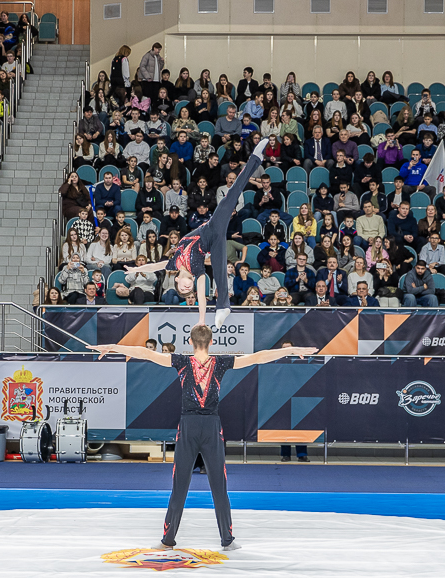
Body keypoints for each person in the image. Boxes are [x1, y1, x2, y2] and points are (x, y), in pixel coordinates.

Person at [91, 327, 316, 550]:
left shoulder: (181, 361)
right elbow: (258, 357)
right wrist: (289, 350)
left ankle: (168, 540)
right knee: (219, 484)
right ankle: (227, 540)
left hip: (188, 426)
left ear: (190, 342)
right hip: (211, 427)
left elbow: (146, 353)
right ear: (211, 342)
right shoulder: (220, 362)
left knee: (180, 485)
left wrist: (112, 347)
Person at [123, 139, 268, 328]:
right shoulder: (198, 272)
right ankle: (222, 307)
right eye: (188, 289)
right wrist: (201, 321)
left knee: (231, 195)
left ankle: (256, 158)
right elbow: (201, 294)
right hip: (213, 240)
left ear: (176, 279)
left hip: (212, 228)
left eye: (183, 288)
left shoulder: (173, 262)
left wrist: (137, 269)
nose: (187, 288)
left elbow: (154, 266)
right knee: (219, 270)